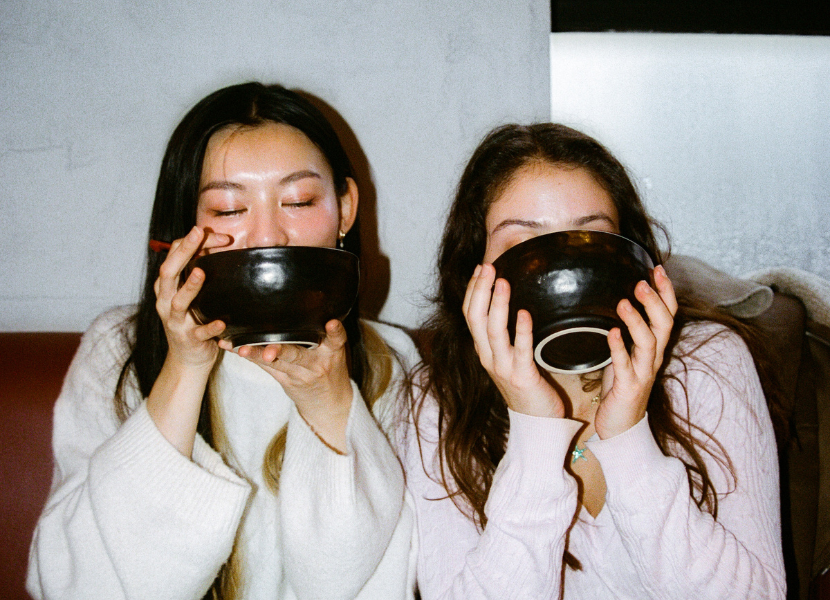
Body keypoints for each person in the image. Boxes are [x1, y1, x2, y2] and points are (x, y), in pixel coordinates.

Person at [27, 82, 418, 600]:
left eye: (298, 200)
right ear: (184, 225)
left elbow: (354, 583)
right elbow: (74, 584)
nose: (268, 235)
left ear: (345, 209)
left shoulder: (390, 361)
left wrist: (330, 405)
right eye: (230, 210)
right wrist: (184, 368)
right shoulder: (118, 349)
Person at [400, 123, 786, 598]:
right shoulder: (436, 400)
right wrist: (534, 431)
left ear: (632, 258)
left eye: (590, 238)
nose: (562, 268)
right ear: (471, 273)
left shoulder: (707, 361)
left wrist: (627, 435)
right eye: (524, 244)